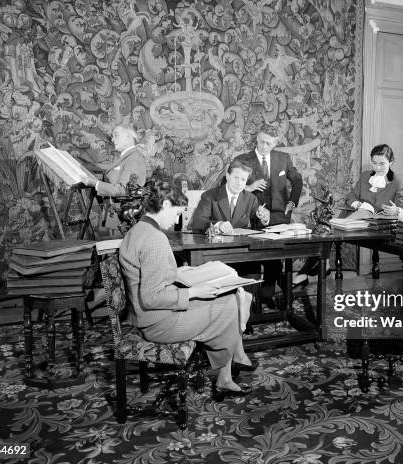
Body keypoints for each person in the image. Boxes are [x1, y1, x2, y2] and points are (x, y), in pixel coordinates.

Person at [118, 183, 256, 398]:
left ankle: (230, 366)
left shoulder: (139, 229)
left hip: (145, 316)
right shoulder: (154, 238)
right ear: (164, 204)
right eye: (176, 213)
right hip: (159, 323)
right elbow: (151, 297)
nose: (176, 220)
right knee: (230, 301)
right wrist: (195, 291)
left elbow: (151, 275)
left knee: (235, 295)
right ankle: (226, 374)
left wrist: (182, 272)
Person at [292, 144, 403, 287]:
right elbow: (351, 196)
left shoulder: (397, 181)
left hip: (378, 224)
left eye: (382, 164)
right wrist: (359, 205)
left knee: (331, 229)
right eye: (374, 163)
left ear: (391, 162)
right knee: (326, 228)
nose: (377, 168)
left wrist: (395, 211)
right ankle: (317, 266)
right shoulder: (366, 176)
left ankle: (311, 269)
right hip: (358, 217)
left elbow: (402, 209)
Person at [228, 124, 303, 306]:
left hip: (278, 217)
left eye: (268, 144)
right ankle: (251, 301)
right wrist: (248, 187)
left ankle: (267, 294)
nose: (264, 147)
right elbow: (228, 185)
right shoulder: (243, 160)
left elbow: (297, 181)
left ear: (275, 142)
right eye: (261, 142)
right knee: (254, 261)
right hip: (251, 218)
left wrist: (291, 204)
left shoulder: (283, 158)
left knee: (275, 258)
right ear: (257, 139)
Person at [192, 161, 270, 233]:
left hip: (241, 245)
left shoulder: (251, 199)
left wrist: (264, 218)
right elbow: (198, 222)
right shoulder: (209, 196)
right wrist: (218, 226)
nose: (239, 183)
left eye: (243, 179)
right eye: (236, 178)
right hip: (216, 245)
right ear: (227, 176)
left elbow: (257, 225)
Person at [82, 125, 147, 197]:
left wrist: (96, 183)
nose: (112, 140)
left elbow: (125, 190)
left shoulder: (134, 159)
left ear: (128, 136)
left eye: (116, 135)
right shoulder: (127, 156)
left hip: (122, 207)